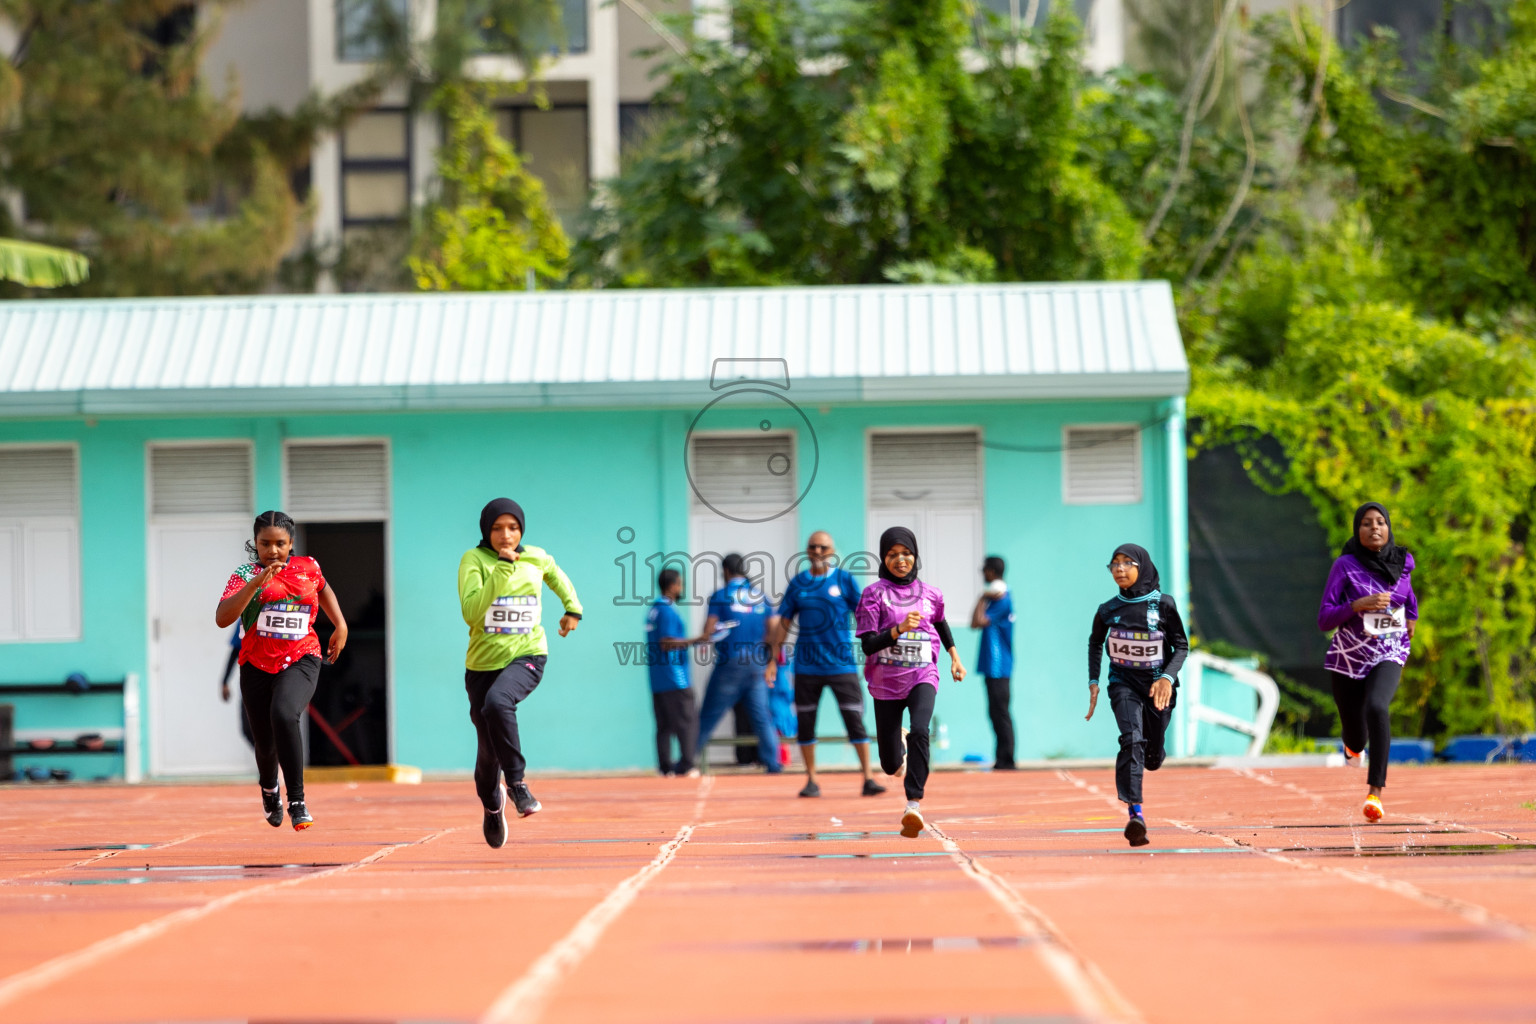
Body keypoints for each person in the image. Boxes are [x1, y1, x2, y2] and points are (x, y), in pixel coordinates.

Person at [459, 498, 583, 849]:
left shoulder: (536, 556)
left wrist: (573, 608)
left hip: (528, 653)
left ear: (521, 529)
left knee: (499, 703)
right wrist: (500, 568)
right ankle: (492, 805)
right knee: (487, 754)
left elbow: (557, 576)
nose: (505, 535)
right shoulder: (474, 560)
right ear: (486, 530)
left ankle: (517, 785)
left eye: (512, 527)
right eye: (497, 528)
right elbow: (472, 612)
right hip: (482, 665)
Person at [216, 511, 348, 832]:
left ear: (291, 543)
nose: (272, 551)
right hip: (256, 664)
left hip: (302, 656)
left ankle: (297, 801)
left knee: (285, 713)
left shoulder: (308, 567)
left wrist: (340, 623)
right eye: (265, 544)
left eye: (280, 544)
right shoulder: (245, 573)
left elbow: (323, 587)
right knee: (264, 742)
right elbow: (223, 617)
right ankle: (269, 790)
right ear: (255, 544)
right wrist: (257, 583)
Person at [855, 527, 965, 838]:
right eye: (892, 555)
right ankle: (897, 749)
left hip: (922, 674)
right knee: (890, 765)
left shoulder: (931, 593)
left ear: (915, 555)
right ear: (884, 558)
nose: (900, 560)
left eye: (906, 553)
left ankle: (913, 804)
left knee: (921, 730)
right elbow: (868, 645)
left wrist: (955, 657)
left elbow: (941, 625)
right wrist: (898, 630)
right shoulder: (873, 595)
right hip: (885, 681)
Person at [1317, 501, 1418, 823]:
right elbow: (1324, 619)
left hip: (1389, 651)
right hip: (1348, 657)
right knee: (1356, 735)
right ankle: (1353, 747)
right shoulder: (1344, 566)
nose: (1374, 528)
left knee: (1378, 706)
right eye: (1366, 523)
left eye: (1380, 522)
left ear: (1388, 528)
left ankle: (1375, 792)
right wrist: (1357, 604)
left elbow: (1409, 599)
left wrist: (1412, 617)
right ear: (1357, 530)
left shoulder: (1403, 562)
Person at [1086, 544, 1188, 848]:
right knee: (1131, 739)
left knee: (1151, 757)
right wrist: (1094, 681)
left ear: (1141, 566)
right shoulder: (1107, 610)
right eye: (1113, 564)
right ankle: (1136, 814)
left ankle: (1156, 751)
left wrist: (1168, 677)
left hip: (1158, 688)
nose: (1119, 569)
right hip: (1123, 684)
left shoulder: (1163, 605)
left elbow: (1181, 645)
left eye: (1126, 563)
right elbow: (1094, 642)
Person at [768, 531, 884, 798]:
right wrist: (774, 660)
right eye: (813, 547)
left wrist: (876, 647)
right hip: (807, 668)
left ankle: (868, 777)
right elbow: (784, 623)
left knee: (855, 721)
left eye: (823, 547)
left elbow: (864, 614)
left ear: (831, 551)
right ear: (807, 551)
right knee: (806, 724)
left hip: (842, 665)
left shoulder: (844, 580)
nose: (818, 551)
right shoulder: (798, 584)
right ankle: (811, 780)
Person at [692, 553, 781, 773]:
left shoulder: (720, 596)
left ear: (726, 571)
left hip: (730, 664)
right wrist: (768, 659)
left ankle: (687, 760)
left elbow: (708, 631)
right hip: (756, 664)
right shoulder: (761, 597)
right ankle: (773, 764)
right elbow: (773, 632)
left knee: (708, 716)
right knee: (762, 718)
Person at [644, 569, 700, 777]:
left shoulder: (653, 610)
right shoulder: (667, 610)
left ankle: (665, 767)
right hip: (675, 676)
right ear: (673, 585)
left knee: (664, 725)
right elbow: (666, 642)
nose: (682, 588)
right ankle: (687, 765)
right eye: (680, 584)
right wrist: (696, 640)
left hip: (657, 678)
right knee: (687, 721)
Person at [970, 555, 1016, 770]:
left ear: (991, 572)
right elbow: (974, 623)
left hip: (999, 666)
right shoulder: (994, 600)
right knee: (995, 712)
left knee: (1001, 711)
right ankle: (1002, 758)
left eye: (984, 569)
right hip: (992, 666)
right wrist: (983, 598)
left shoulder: (1002, 599)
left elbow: (978, 621)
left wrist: (982, 597)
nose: (982, 573)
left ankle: (1007, 759)